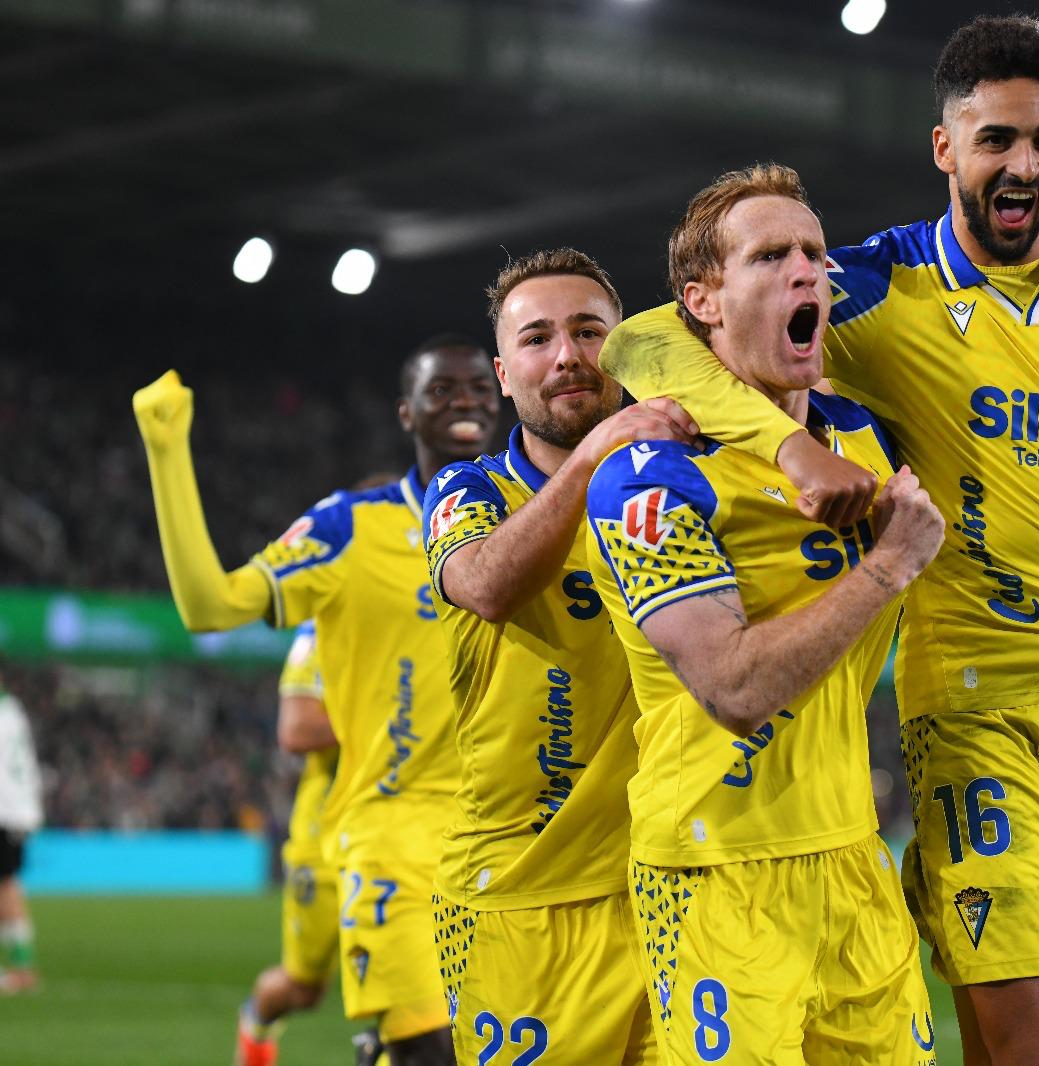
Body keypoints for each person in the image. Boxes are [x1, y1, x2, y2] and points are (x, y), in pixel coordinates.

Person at [596, 16, 1039, 1064]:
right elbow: (643, 339)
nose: (1025, 164)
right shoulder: (868, 292)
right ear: (945, 150)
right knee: (1022, 1046)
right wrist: (788, 455)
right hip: (972, 712)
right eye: (997, 140)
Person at [586, 164, 943, 1064]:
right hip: (715, 872)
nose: (806, 271)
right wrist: (886, 567)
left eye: (815, 254)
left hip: (854, 862)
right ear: (700, 303)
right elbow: (732, 686)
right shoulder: (650, 477)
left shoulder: (861, 434)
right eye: (770, 255)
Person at [133, 341, 500, 1065]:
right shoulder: (349, 530)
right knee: (430, 1049)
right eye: (442, 389)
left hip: (512, 837)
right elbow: (211, 606)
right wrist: (166, 450)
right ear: (407, 411)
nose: (465, 400)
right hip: (392, 838)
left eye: (479, 387)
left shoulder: (534, 513)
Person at [424, 248, 695, 1065]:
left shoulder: (690, 483)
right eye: (538, 339)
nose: (569, 355)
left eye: (588, 331)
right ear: (505, 374)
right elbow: (486, 586)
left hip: (674, 888)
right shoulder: (467, 492)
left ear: (627, 350)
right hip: (519, 898)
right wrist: (595, 455)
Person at [234, 620, 344, 1066]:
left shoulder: (435, 607)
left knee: (420, 995)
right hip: (325, 840)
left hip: (408, 834)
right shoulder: (321, 629)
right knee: (303, 988)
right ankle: (256, 1022)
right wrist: (387, 714)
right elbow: (297, 730)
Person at [0, 668, 42, 995]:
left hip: (5, 809)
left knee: (6, 885)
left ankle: (22, 968)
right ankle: (20, 965)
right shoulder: (13, 711)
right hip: (18, 809)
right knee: (6, 884)